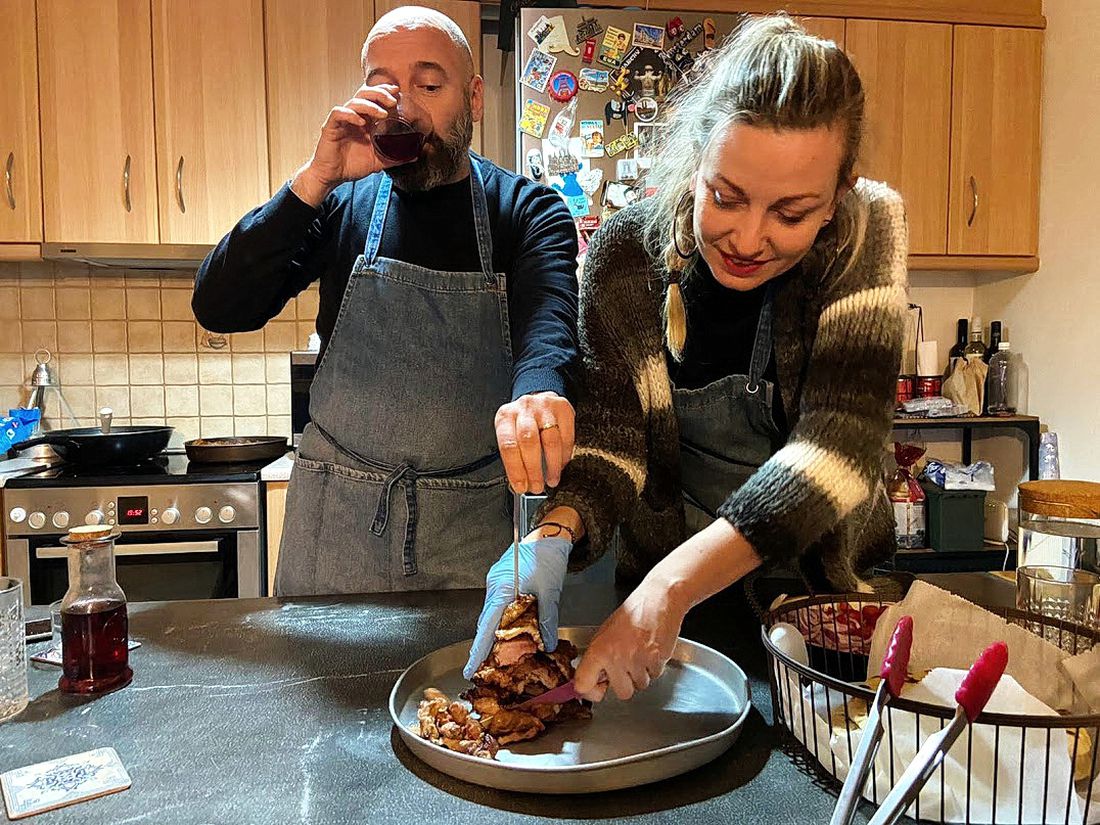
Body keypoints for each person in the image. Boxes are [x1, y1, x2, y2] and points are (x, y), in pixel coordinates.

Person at [464, 15, 908, 699]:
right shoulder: (623, 257)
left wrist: (671, 583)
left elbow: (837, 450)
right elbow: (614, 443)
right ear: (695, 160)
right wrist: (553, 533)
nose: (749, 237)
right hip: (667, 620)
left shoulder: (866, 234)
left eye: (791, 213)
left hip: (826, 617)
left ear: (838, 195)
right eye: (725, 197)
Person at [193, 7, 579, 596]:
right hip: (335, 527)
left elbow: (548, 333)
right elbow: (221, 307)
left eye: (428, 86)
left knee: (472, 687)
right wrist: (314, 180)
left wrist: (538, 398)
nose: (405, 108)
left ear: (473, 98)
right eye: (384, 88)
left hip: (472, 532)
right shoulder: (338, 201)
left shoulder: (526, 212)